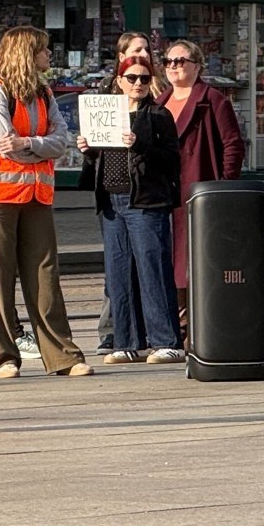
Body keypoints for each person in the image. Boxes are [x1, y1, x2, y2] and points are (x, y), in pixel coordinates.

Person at [0, 26, 89, 378]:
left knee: (45, 273)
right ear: (26, 53)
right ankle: (3, 356)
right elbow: (2, 141)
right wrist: (37, 145)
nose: (49, 55)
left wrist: (29, 144)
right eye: (43, 50)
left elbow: (61, 140)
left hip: (37, 194)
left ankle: (62, 355)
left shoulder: (43, 92)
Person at [80, 58, 184, 365]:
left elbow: (172, 159)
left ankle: (166, 340)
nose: (138, 84)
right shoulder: (106, 113)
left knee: (152, 269)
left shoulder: (157, 115)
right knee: (118, 274)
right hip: (112, 201)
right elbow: (96, 161)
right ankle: (127, 342)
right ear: (119, 80)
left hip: (146, 201)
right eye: (131, 78)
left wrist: (141, 146)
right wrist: (88, 152)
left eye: (143, 78)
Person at [162, 37, 247, 340]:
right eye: (168, 61)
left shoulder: (212, 99)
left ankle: (192, 327)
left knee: (194, 257)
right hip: (165, 192)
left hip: (201, 190)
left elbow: (233, 144)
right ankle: (172, 326)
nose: (173, 67)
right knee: (170, 256)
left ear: (196, 65)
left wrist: (224, 186)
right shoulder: (159, 102)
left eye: (180, 61)